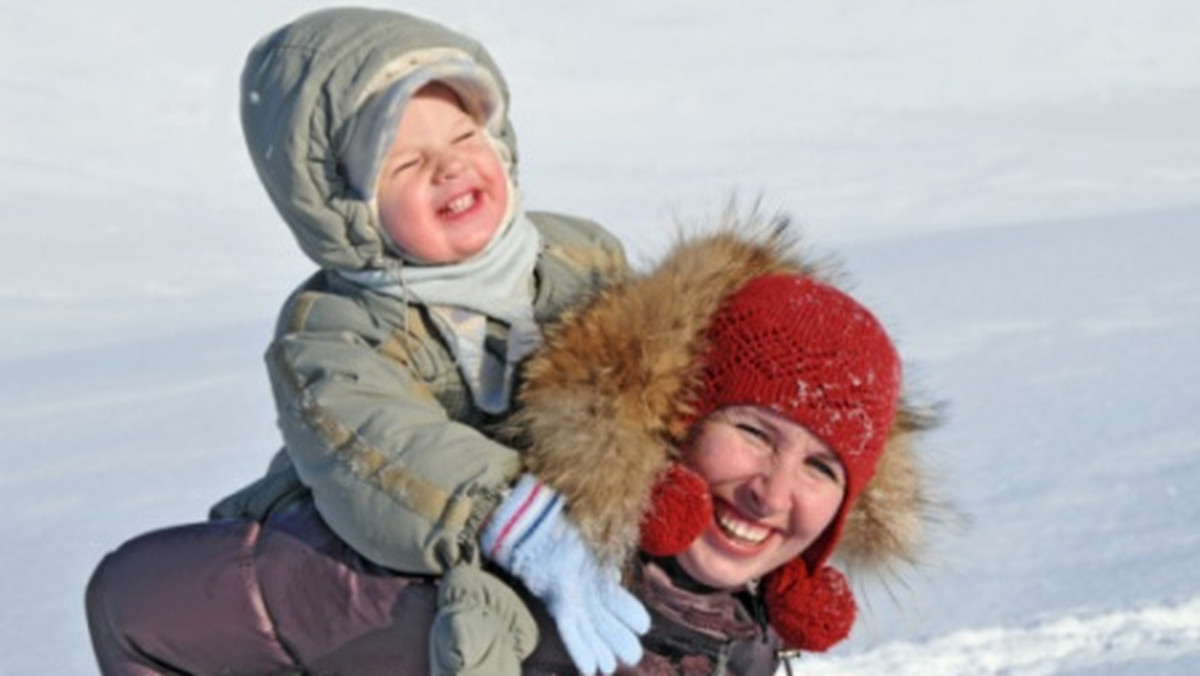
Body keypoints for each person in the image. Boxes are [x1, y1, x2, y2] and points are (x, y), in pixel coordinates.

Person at [86, 216, 939, 675]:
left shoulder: (738, 629)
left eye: (822, 467)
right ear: (674, 416)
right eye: (753, 432)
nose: (772, 492)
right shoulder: (486, 579)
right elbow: (141, 608)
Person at [86, 6, 646, 676]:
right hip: (375, 548)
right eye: (404, 161)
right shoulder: (329, 327)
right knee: (138, 598)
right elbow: (381, 440)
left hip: (556, 550)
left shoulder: (581, 255)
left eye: (466, 134)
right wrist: (509, 514)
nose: (449, 167)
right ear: (344, 206)